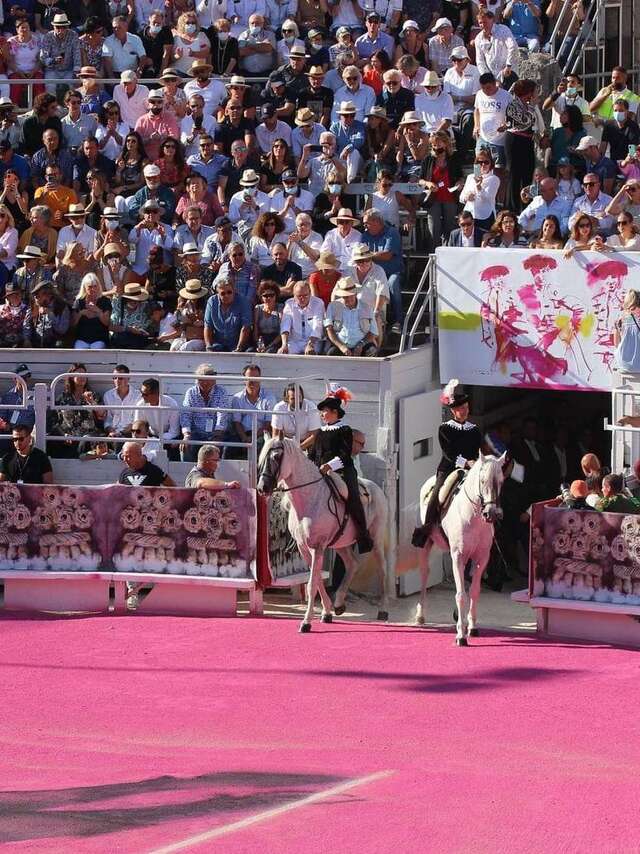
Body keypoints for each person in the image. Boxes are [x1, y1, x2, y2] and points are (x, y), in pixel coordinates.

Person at [411, 379, 483, 548]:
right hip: (449, 468)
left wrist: (475, 464)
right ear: (453, 411)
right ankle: (426, 529)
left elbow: (475, 450)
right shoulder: (445, 429)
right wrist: (466, 463)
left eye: (466, 408)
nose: (464, 411)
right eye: (461, 409)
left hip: (470, 469)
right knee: (437, 495)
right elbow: (449, 453)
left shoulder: (474, 429)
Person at [308, 386, 373, 554]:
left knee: (352, 497)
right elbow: (314, 454)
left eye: (325, 411)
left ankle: (362, 535)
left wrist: (329, 466)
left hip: (342, 471)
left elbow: (345, 455)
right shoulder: (321, 432)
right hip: (320, 472)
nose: (322, 415)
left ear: (335, 412)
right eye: (321, 412)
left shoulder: (345, 430)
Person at [180, 363, 230, 461]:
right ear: (197, 380)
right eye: (202, 380)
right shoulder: (191, 392)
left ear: (214, 381)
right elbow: (186, 414)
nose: (205, 383)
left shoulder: (221, 392)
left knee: (220, 448)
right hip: (196, 433)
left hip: (216, 433)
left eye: (208, 380)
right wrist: (186, 435)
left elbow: (222, 413)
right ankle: (188, 474)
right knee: (185, 447)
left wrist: (217, 434)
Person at [324, 277, 378, 357]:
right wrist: (341, 346)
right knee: (331, 354)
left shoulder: (367, 307)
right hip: (340, 344)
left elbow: (373, 332)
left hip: (363, 344)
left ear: (355, 293)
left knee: (371, 352)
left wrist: (361, 344)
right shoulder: (333, 306)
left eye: (350, 295)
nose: (348, 299)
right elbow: (329, 330)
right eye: (345, 296)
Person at [231, 363, 275, 452]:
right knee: (227, 449)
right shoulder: (237, 398)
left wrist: (253, 437)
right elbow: (237, 422)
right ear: (244, 380)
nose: (253, 381)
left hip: (261, 435)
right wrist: (244, 437)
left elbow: (268, 423)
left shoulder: (269, 397)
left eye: (256, 377)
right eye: (250, 378)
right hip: (242, 434)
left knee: (259, 447)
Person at [204, 276, 252, 352]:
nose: (226, 295)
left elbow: (245, 327)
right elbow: (208, 326)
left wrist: (239, 348)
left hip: (238, 343)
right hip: (218, 343)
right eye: (223, 293)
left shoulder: (243, 301)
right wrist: (208, 346)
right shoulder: (212, 301)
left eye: (229, 292)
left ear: (234, 290)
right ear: (218, 294)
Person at [279, 280, 324, 354]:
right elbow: (285, 325)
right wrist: (284, 344)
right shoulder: (289, 304)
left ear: (310, 293)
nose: (302, 299)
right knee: (281, 353)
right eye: (299, 296)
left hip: (314, 341)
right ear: (294, 295)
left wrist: (310, 344)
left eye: (305, 295)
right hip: (294, 342)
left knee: (311, 353)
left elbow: (317, 326)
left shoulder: (318, 303)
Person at [134, 377, 180, 449]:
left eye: (145, 394)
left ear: (156, 394)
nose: (142, 396)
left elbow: (174, 432)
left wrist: (157, 440)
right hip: (150, 436)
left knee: (173, 445)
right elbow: (138, 427)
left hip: (168, 438)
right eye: (141, 392)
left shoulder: (171, 404)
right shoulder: (140, 404)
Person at [271, 382, 320, 448]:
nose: (297, 401)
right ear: (287, 399)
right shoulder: (279, 408)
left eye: (299, 397)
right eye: (293, 398)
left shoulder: (311, 407)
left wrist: (298, 448)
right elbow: (276, 435)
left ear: (302, 396)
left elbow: (314, 436)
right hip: (286, 444)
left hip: (306, 443)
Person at [103, 363, 138, 437]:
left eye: (120, 378)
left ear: (128, 378)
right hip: (113, 432)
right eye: (114, 378)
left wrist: (122, 432)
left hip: (131, 432)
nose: (117, 380)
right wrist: (110, 430)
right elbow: (108, 418)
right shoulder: (108, 395)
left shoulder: (137, 395)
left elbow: (137, 419)